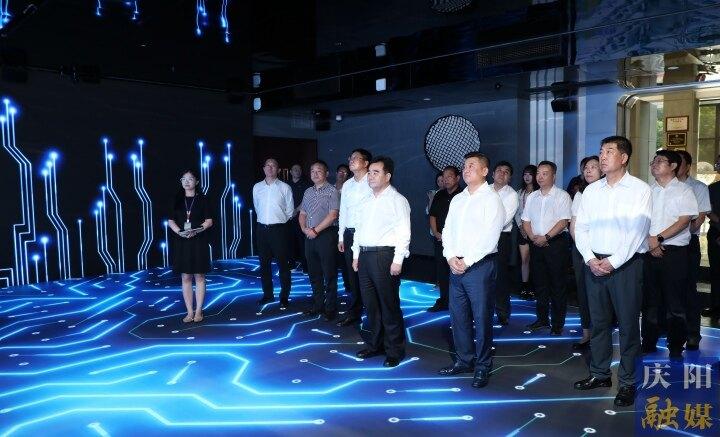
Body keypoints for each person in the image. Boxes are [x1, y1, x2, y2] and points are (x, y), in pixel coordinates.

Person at [573, 136, 651, 408]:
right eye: (600, 151)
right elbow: (581, 228)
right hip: (594, 263)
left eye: (609, 151)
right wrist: (589, 258)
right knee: (598, 323)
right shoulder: (592, 191)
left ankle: (628, 382)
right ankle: (600, 373)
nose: (602, 157)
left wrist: (613, 262)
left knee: (628, 326)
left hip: (625, 265)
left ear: (624, 157)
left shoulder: (639, 189)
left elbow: (638, 231)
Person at [438, 152, 505, 388]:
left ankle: (483, 365)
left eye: (472, 166)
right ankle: (464, 360)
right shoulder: (458, 199)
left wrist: (466, 261)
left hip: (479, 266)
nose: (466, 170)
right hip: (455, 265)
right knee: (458, 317)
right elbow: (447, 230)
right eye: (465, 166)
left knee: (482, 317)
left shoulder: (492, 199)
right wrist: (450, 256)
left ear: (485, 171)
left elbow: (490, 237)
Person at [352, 156, 411, 367]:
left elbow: (404, 232)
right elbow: (358, 230)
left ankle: (394, 350)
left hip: (385, 256)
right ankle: (375, 344)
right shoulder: (365, 200)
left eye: (376, 172)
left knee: (389, 304)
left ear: (388, 176)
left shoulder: (397, 200)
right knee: (371, 305)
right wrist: (356, 255)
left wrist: (398, 260)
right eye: (369, 172)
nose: (371, 176)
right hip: (365, 256)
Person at [641, 150, 698, 359]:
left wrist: (659, 238)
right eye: (653, 161)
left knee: (675, 302)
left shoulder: (684, 191)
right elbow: (641, 220)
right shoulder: (648, 191)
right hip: (649, 251)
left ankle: (675, 346)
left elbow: (684, 221)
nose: (654, 164)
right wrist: (651, 241)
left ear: (673, 166)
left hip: (674, 253)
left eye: (660, 161)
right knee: (650, 301)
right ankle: (648, 342)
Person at [521, 161, 572, 335]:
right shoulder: (532, 197)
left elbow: (563, 221)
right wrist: (532, 237)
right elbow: (525, 220)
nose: (540, 177)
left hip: (556, 244)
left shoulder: (562, 196)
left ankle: (557, 324)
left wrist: (546, 237)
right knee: (540, 284)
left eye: (545, 173)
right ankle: (542, 319)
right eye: (538, 173)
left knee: (558, 284)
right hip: (536, 244)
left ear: (554, 176)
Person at [167, 170, 214, 323]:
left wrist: (197, 230)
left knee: (199, 276)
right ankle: (189, 312)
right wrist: (179, 232)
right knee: (186, 276)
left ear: (197, 182)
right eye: (184, 179)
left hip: (198, 240)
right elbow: (170, 221)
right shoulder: (176, 199)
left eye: (190, 179)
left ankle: (199, 310)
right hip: (182, 241)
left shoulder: (203, 199)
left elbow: (209, 221)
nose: (187, 182)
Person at [676, 150, 711, 350]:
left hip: (688, 242)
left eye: (679, 162)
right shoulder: (662, 188)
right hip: (665, 244)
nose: (675, 166)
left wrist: (681, 232)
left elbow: (699, 218)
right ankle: (670, 331)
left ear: (688, 166)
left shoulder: (698, 187)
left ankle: (692, 334)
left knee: (689, 289)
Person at [299, 160, 340, 321]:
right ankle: (318, 305)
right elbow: (302, 213)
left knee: (329, 273)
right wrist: (304, 229)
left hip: (326, 235)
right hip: (309, 235)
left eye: (319, 171)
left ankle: (330, 308)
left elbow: (333, 215)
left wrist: (315, 230)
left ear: (326, 173)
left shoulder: (332, 191)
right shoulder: (308, 191)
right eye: (312, 171)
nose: (315, 174)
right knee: (314, 273)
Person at [337, 148, 373, 327]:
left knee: (368, 275)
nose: (351, 160)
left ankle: (373, 314)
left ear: (366, 163)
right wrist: (340, 236)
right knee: (352, 275)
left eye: (356, 158)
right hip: (349, 234)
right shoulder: (347, 184)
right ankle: (355, 312)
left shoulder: (372, 181)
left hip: (367, 234)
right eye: (350, 157)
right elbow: (343, 211)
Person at [252, 158, 295, 309]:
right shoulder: (257, 187)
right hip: (262, 229)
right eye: (267, 165)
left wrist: (277, 220)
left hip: (279, 230)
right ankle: (268, 295)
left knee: (283, 264)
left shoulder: (285, 187)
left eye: (273, 165)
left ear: (278, 169)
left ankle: (284, 297)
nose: (270, 168)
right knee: (264, 264)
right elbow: (257, 207)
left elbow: (290, 211)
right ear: (263, 169)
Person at [569, 155, 601, 350]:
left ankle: (601, 335)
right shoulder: (580, 194)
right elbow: (573, 225)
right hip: (581, 250)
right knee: (583, 292)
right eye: (586, 167)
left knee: (602, 295)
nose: (588, 170)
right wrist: (585, 251)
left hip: (603, 251)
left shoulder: (607, 192)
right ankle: (586, 333)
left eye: (593, 167)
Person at [427, 165, 462, 312]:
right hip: (440, 240)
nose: (446, 180)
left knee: (457, 272)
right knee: (441, 271)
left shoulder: (463, 195)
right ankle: (443, 301)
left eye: (449, 176)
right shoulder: (439, 195)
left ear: (457, 178)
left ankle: (458, 304)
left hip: (457, 242)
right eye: (444, 177)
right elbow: (432, 215)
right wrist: (436, 233)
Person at [492, 161, 519, 325]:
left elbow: (503, 220)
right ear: (492, 174)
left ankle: (502, 311)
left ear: (510, 177)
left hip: (501, 238)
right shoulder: (483, 190)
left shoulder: (512, 195)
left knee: (500, 276)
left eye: (506, 172)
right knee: (482, 276)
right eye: (499, 170)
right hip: (480, 238)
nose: (502, 173)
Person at [515, 165, 539, 300]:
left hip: (536, 231)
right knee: (524, 259)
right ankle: (525, 287)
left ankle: (535, 287)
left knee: (535, 260)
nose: (527, 177)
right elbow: (517, 212)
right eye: (525, 174)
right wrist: (521, 226)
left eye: (530, 174)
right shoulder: (519, 193)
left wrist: (530, 228)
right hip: (522, 230)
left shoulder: (539, 193)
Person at [288, 164, 311, 273]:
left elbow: (306, 200)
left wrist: (296, 210)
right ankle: (291, 265)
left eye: (299, 169)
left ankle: (305, 267)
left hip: (302, 217)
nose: (297, 171)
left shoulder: (307, 185)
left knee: (303, 242)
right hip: (288, 218)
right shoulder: (286, 185)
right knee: (289, 242)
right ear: (291, 172)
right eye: (295, 169)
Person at [707, 155, 720, 322]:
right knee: (715, 271)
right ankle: (715, 306)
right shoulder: (712, 188)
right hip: (715, 232)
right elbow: (708, 211)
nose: (717, 165)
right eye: (717, 162)